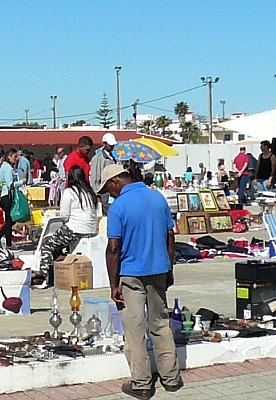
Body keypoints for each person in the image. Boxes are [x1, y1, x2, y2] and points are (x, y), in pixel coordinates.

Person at [102, 164, 182, 398]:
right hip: (158, 269)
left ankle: (142, 383)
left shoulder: (119, 207)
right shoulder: (157, 197)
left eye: (108, 188)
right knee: (160, 323)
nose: (110, 193)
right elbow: (170, 236)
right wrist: (169, 268)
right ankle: (171, 378)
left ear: (115, 181)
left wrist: (113, 284)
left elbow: (113, 248)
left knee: (135, 329)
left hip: (131, 274)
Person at [34, 166, 98, 288]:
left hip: (75, 229)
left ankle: (42, 277)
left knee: (47, 244)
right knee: (57, 245)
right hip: (90, 230)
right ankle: (59, 271)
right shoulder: (90, 192)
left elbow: (64, 215)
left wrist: (65, 222)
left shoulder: (70, 192)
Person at [0, 149, 22, 247]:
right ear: (9, 157)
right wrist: (21, 182)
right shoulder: (7, 168)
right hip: (6, 195)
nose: (16, 159)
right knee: (11, 219)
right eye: (15, 157)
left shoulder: (3, 167)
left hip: (3, 195)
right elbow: (10, 184)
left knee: (10, 220)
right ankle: (6, 242)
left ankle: (2, 239)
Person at [90, 133, 117, 214]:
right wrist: (96, 194)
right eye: (110, 145)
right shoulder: (98, 159)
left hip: (111, 192)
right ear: (104, 144)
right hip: (103, 192)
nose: (112, 147)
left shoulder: (112, 157)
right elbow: (94, 178)